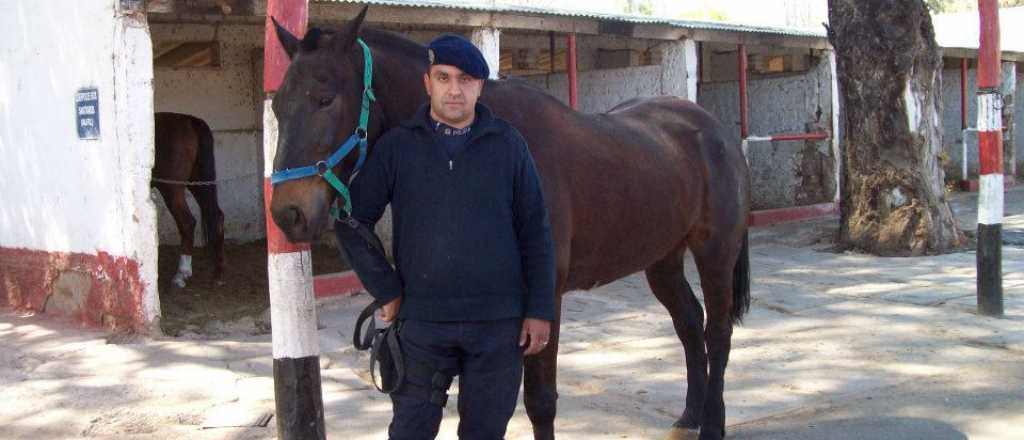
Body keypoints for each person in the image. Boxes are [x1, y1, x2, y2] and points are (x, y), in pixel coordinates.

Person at [337, 33, 556, 440]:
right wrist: (385, 289)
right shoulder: (397, 147)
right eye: (443, 77)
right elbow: (351, 220)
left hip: (497, 326)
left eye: (465, 79)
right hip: (422, 324)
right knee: (410, 432)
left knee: (484, 433)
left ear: (480, 86)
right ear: (427, 83)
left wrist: (539, 309)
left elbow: (536, 232)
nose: (454, 89)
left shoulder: (508, 145)